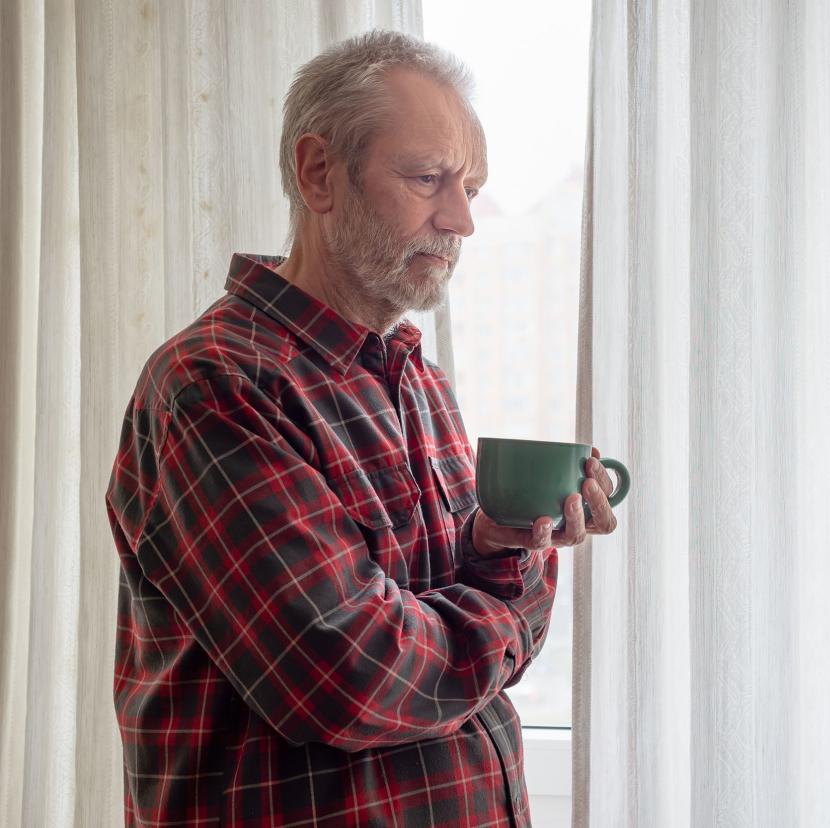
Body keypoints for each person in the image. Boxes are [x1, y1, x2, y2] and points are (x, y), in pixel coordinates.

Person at [105, 29, 618, 827]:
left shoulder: (419, 380)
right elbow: (347, 674)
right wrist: (508, 613)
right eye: (427, 179)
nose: (460, 221)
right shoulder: (216, 385)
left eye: (472, 189)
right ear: (318, 173)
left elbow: (450, 614)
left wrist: (508, 543)